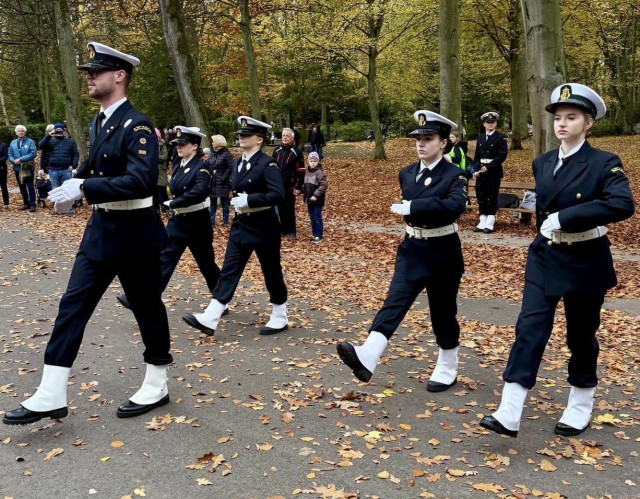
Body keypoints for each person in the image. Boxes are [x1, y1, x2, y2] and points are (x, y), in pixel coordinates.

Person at [2, 42, 172, 425]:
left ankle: (157, 381)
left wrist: (85, 188)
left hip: (135, 233)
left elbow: (143, 181)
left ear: (119, 75)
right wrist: (74, 186)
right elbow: (99, 169)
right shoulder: (99, 121)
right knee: (72, 306)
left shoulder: (138, 124)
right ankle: (51, 392)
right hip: (101, 231)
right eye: (88, 71)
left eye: (97, 70)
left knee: (146, 308)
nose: (90, 76)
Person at [480, 84, 635, 438]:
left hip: (585, 259)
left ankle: (580, 404)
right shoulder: (543, 162)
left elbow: (622, 204)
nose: (562, 124)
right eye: (558, 118)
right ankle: (510, 410)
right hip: (546, 255)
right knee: (529, 327)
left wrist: (568, 217)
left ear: (588, 123)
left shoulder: (603, 162)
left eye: (572, 117)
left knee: (581, 337)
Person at [336, 110, 467, 390]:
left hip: (442, 252)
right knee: (394, 301)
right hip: (412, 248)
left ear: (444, 142)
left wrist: (416, 207)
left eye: (428, 138)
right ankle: (368, 355)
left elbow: (456, 207)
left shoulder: (455, 175)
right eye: (418, 139)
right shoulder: (406, 173)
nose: (421, 144)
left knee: (442, 312)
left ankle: (448, 364)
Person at [182, 116, 288, 337]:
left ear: (259, 139)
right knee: (229, 271)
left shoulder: (268, 163)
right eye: (239, 135)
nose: (240, 138)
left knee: (271, 272)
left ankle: (280, 315)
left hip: (264, 225)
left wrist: (251, 200)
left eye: (246, 135)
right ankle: (211, 317)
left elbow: (278, 194)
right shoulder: (238, 162)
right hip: (242, 224)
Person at [117, 126, 221, 312]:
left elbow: (200, 191)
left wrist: (174, 203)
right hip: (178, 221)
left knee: (206, 264)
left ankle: (221, 298)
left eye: (183, 144)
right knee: (164, 259)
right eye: (177, 144)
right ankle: (143, 297)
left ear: (195, 145)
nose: (178, 147)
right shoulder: (179, 165)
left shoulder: (202, 166)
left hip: (197, 222)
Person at [472, 112, 508, 233]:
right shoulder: (480, 137)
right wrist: (475, 169)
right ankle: (482, 219)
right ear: (484, 124)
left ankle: (490, 221)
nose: (490, 124)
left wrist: (489, 167)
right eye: (488, 122)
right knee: (481, 195)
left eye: (493, 122)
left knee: (492, 195)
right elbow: (477, 155)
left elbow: (502, 156)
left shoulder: (500, 138)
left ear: (496, 123)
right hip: (481, 171)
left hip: (493, 171)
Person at [38, 123, 79, 214]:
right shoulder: (50, 141)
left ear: (64, 131)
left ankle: (68, 209)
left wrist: (73, 165)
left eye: (61, 130)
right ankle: (57, 209)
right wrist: (49, 135)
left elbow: (75, 154)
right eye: (57, 130)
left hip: (66, 169)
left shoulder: (70, 141)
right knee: (55, 190)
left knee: (67, 190)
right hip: (53, 169)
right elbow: (40, 146)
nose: (59, 132)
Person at [273, 127, 305, 238]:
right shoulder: (277, 151)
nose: (285, 137)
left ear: (292, 138)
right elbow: (271, 168)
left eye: (287, 135)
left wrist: (298, 187)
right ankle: (283, 229)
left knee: (289, 209)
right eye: (283, 135)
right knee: (280, 208)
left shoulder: (296, 152)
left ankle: (292, 231)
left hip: (290, 186)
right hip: (278, 186)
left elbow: (301, 171)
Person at [298, 151, 327, 243]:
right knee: (311, 217)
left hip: (317, 200)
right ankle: (314, 234)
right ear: (308, 162)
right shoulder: (308, 172)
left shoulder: (319, 172)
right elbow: (305, 185)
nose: (313, 163)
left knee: (317, 217)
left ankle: (319, 235)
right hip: (309, 200)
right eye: (311, 161)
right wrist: (301, 191)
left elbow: (323, 185)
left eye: (314, 161)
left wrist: (315, 195)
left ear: (318, 162)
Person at [8, 125, 37, 212]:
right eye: (19, 131)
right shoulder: (13, 142)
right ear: (16, 132)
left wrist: (21, 159)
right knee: (22, 186)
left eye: (22, 131)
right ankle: (26, 203)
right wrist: (14, 161)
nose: (20, 132)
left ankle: (32, 204)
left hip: (28, 167)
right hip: (17, 168)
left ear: (25, 132)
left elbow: (33, 153)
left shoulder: (30, 142)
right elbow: (9, 154)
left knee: (30, 186)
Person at [208, 134, 233, 225]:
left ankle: (225, 221)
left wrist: (223, 178)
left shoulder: (226, 154)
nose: (212, 143)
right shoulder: (212, 153)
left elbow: (230, 167)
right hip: (213, 182)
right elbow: (208, 164)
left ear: (219, 143)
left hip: (223, 182)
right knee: (212, 202)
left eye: (214, 141)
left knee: (225, 203)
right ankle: (211, 221)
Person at [154, 128, 170, 213]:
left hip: (161, 171)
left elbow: (164, 157)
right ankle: (156, 209)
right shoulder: (149, 145)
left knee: (163, 191)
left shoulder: (163, 144)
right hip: (153, 172)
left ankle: (165, 208)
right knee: (154, 192)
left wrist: (154, 157)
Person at [0, 138, 8, 208]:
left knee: (3, 186)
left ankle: (6, 203)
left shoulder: (3, 145)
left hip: (1, 167)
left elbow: (5, 156)